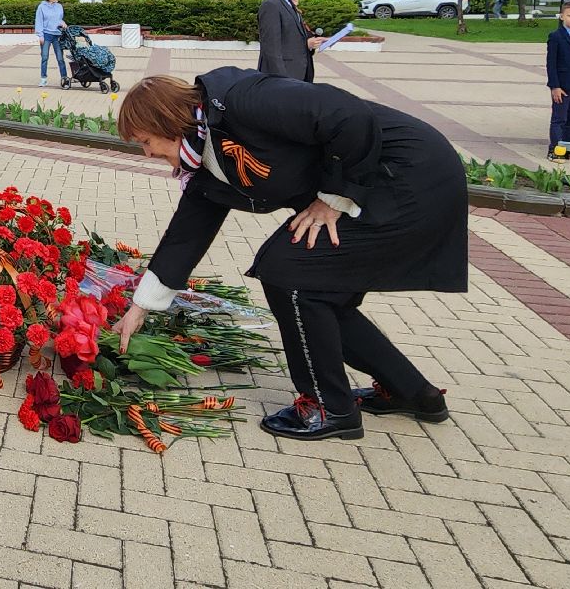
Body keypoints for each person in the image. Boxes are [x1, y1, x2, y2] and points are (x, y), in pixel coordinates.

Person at [113, 68, 465, 441]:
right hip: (385, 183)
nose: (148, 153)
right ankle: (413, 393)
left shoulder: (243, 101)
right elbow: (186, 235)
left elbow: (347, 116)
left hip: (407, 176)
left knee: (288, 272)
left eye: (146, 140)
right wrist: (141, 306)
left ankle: (328, 407)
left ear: (167, 122)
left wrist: (333, 198)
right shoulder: (204, 161)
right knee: (319, 292)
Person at [257, 0, 323, 82]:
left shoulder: (289, 3)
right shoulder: (271, 5)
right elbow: (271, 50)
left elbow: (290, 38)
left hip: (299, 74)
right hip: (283, 79)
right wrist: (283, 82)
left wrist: (308, 44)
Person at [545, 0, 570, 160]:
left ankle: (569, 147)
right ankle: (555, 149)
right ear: (562, 16)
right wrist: (555, 86)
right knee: (560, 118)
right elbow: (551, 63)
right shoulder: (556, 37)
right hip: (563, 86)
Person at [34, 0, 68, 87]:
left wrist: (62, 23)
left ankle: (64, 78)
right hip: (46, 35)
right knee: (44, 57)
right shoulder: (41, 7)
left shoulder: (59, 6)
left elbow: (59, 19)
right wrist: (40, 35)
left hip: (57, 35)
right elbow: (39, 21)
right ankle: (43, 79)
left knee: (60, 58)